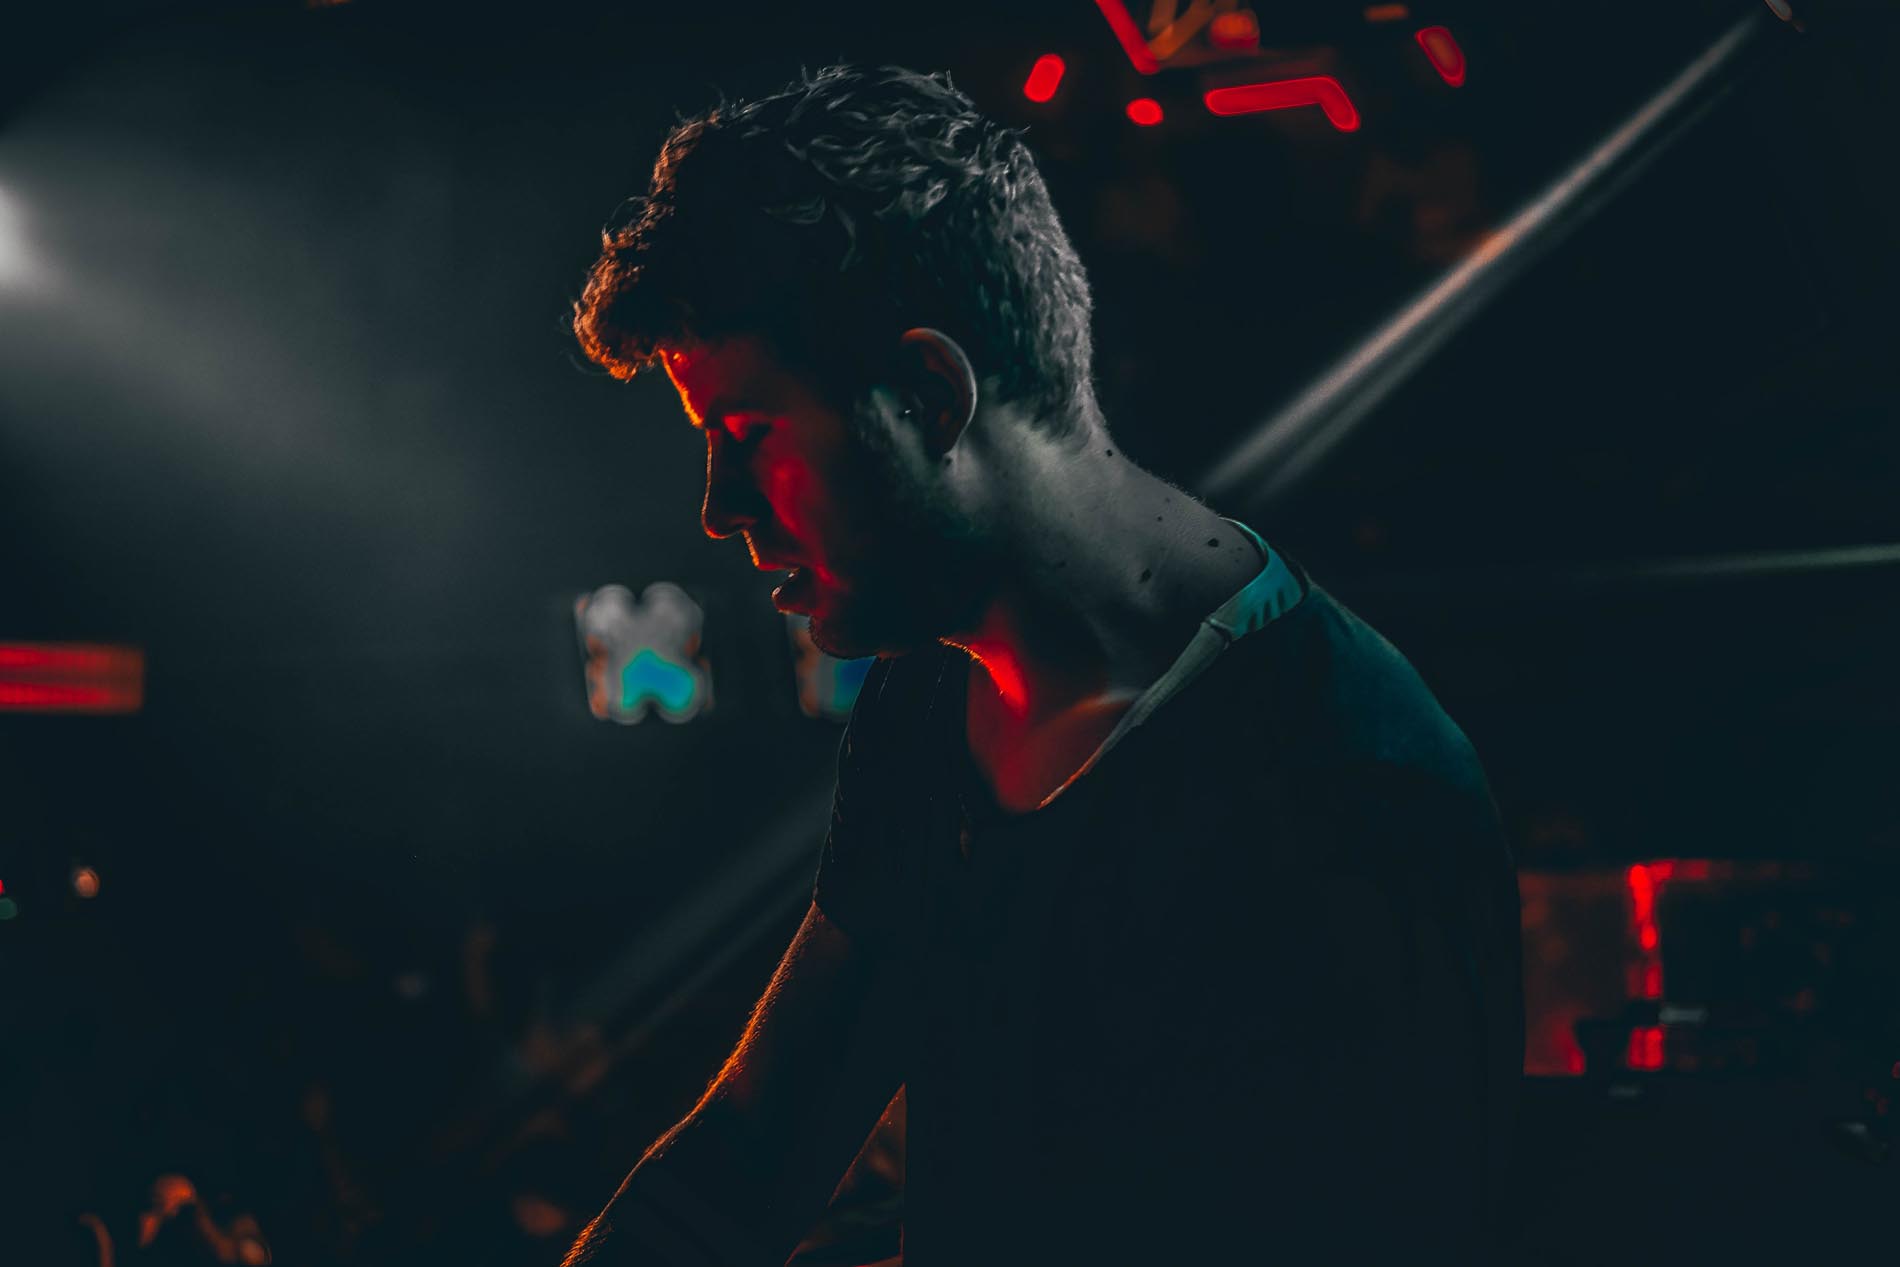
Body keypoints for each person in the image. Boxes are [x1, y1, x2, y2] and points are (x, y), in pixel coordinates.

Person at [562, 64, 1522, 1266]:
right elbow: (744, 1164)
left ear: (929, 395)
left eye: (748, 434)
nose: (718, 507)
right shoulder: (932, 695)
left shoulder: (1350, 780)